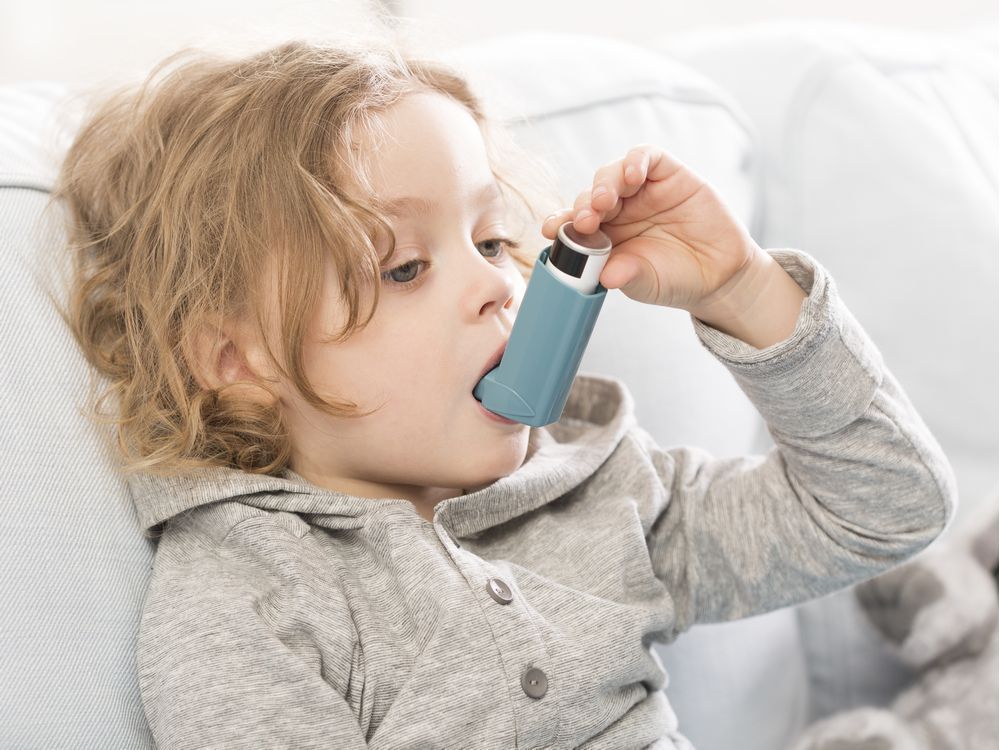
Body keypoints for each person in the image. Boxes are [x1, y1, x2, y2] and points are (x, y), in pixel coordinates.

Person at [50, 31, 957, 750]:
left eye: (490, 241)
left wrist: (746, 291)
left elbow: (888, 508)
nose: (497, 286)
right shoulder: (249, 601)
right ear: (237, 362)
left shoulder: (601, 494)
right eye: (405, 268)